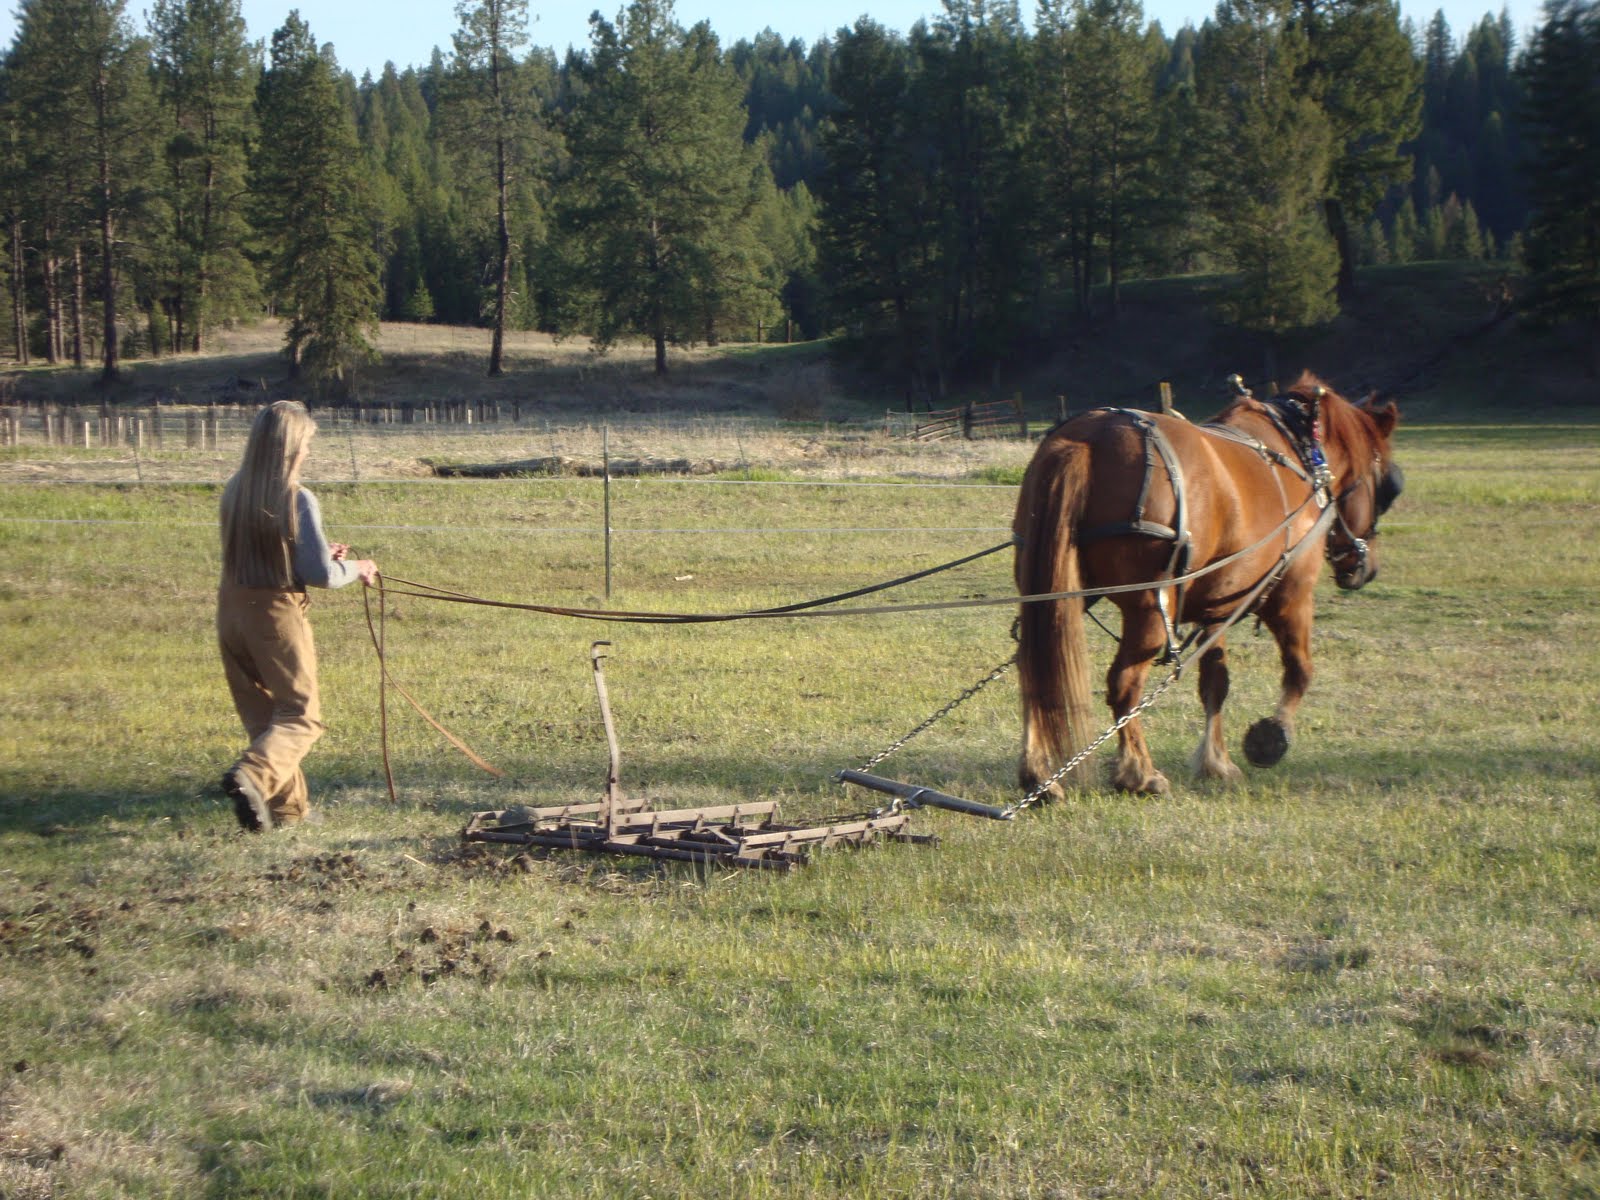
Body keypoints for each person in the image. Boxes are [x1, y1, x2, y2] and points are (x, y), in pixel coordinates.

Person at [217, 401, 377, 831]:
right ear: (291, 447)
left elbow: (285, 556)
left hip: (231, 609)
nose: (308, 452)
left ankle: (284, 813)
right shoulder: (297, 497)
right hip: (275, 616)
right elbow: (320, 576)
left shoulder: (236, 489)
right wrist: (357, 568)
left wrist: (321, 554)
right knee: (301, 716)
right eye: (306, 444)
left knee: (265, 717)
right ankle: (251, 776)